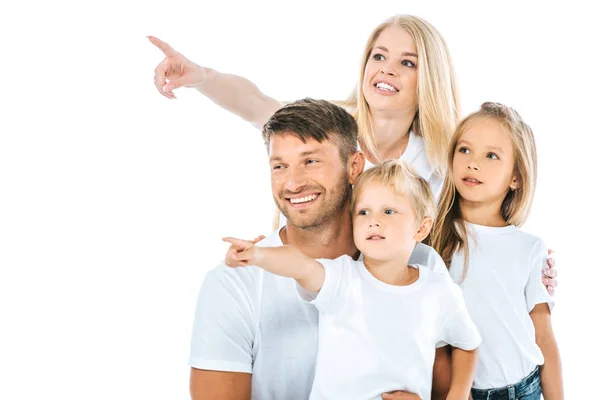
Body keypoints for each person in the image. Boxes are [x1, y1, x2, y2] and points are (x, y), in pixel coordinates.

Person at [148, 14, 558, 293]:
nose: (387, 69)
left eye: (407, 63)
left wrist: (528, 271)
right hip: (316, 289)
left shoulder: (441, 157)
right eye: (378, 56)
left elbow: (481, 222)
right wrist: (201, 77)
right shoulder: (331, 125)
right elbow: (256, 104)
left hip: (393, 307)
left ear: (428, 77)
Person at [189, 98, 452, 399]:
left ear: (354, 166)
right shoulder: (234, 284)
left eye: (310, 161)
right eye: (279, 166)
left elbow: (451, 389)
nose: (293, 183)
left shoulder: (418, 263)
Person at [223, 159, 481, 400]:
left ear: (421, 228)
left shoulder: (438, 290)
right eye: (363, 212)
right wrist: (257, 255)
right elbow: (300, 265)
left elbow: (468, 344)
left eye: (389, 211)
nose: (374, 222)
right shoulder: (343, 278)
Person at [430, 102, 563, 399]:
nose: (473, 163)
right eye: (464, 150)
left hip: (524, 389)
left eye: (491, 155)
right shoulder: (433, 242)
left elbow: (544, 337)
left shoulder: (529, 249)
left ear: (515, 177)